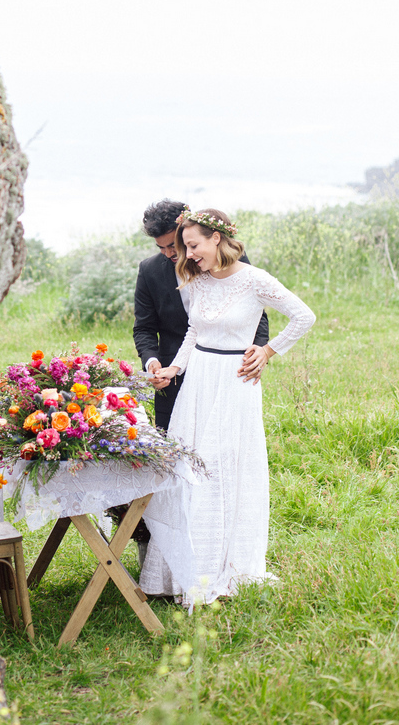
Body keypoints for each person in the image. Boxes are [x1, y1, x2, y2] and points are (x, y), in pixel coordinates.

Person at [139, 206, 315, 607]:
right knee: (190, 467)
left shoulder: (255, 280)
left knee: (223, 468)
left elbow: (304, 316)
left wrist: (268, 351)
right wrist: (173, 367)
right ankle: (186, 568)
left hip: (235, 383)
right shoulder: (196, 280)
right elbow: (193, 332)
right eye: (184, 247)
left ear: (216, 238)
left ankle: (222, 564)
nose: (188, 254)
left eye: (193, 245)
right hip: (197, 382)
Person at [133, 199, 270, 430]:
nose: (168, 253)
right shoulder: (149, 270)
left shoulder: (231, 259)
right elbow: (144, 327)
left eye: (173, 246)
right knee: (173, 445)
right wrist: (152, 362)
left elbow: (257, 314)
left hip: (227, 370)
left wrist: (260, 352)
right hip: (172, 373)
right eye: (161, 248)